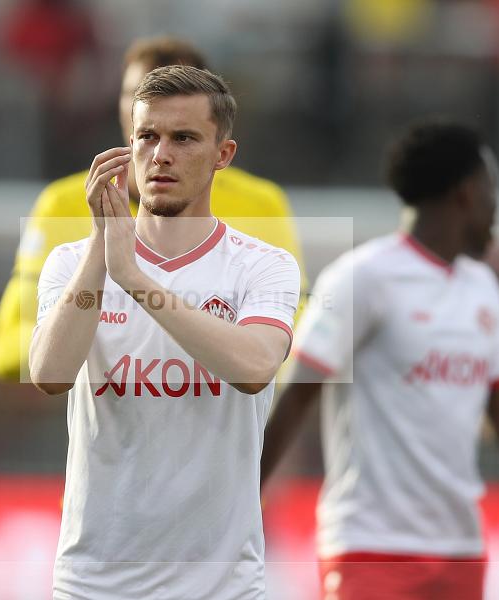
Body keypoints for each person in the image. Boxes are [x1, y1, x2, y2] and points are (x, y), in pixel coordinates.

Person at [259, 119, 499, 600]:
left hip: (459, 550)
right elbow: (298, 394)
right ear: (466, 193)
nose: (497, 210)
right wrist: (247, 493)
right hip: (370, 547)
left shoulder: (482, 290)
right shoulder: (363, 277)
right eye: (492, 191)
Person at [30, 65, 300, 599]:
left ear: (222, 154)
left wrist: (135, 281)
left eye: (184, 138)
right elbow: (50, 374)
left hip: (221, 585)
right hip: (94, 582)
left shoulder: (262, 266)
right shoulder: (70, 263)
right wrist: (102, 250)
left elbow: (253, 368)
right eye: (147, 136)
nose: (161, 154)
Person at [0, 36, 305, 382]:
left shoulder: (260, 208)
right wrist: (88, 328)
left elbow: (286, 342)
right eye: (136, 93)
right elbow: (17, 354)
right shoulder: (63, 206)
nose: (158, 105)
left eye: (183, 134)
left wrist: (137, 290)